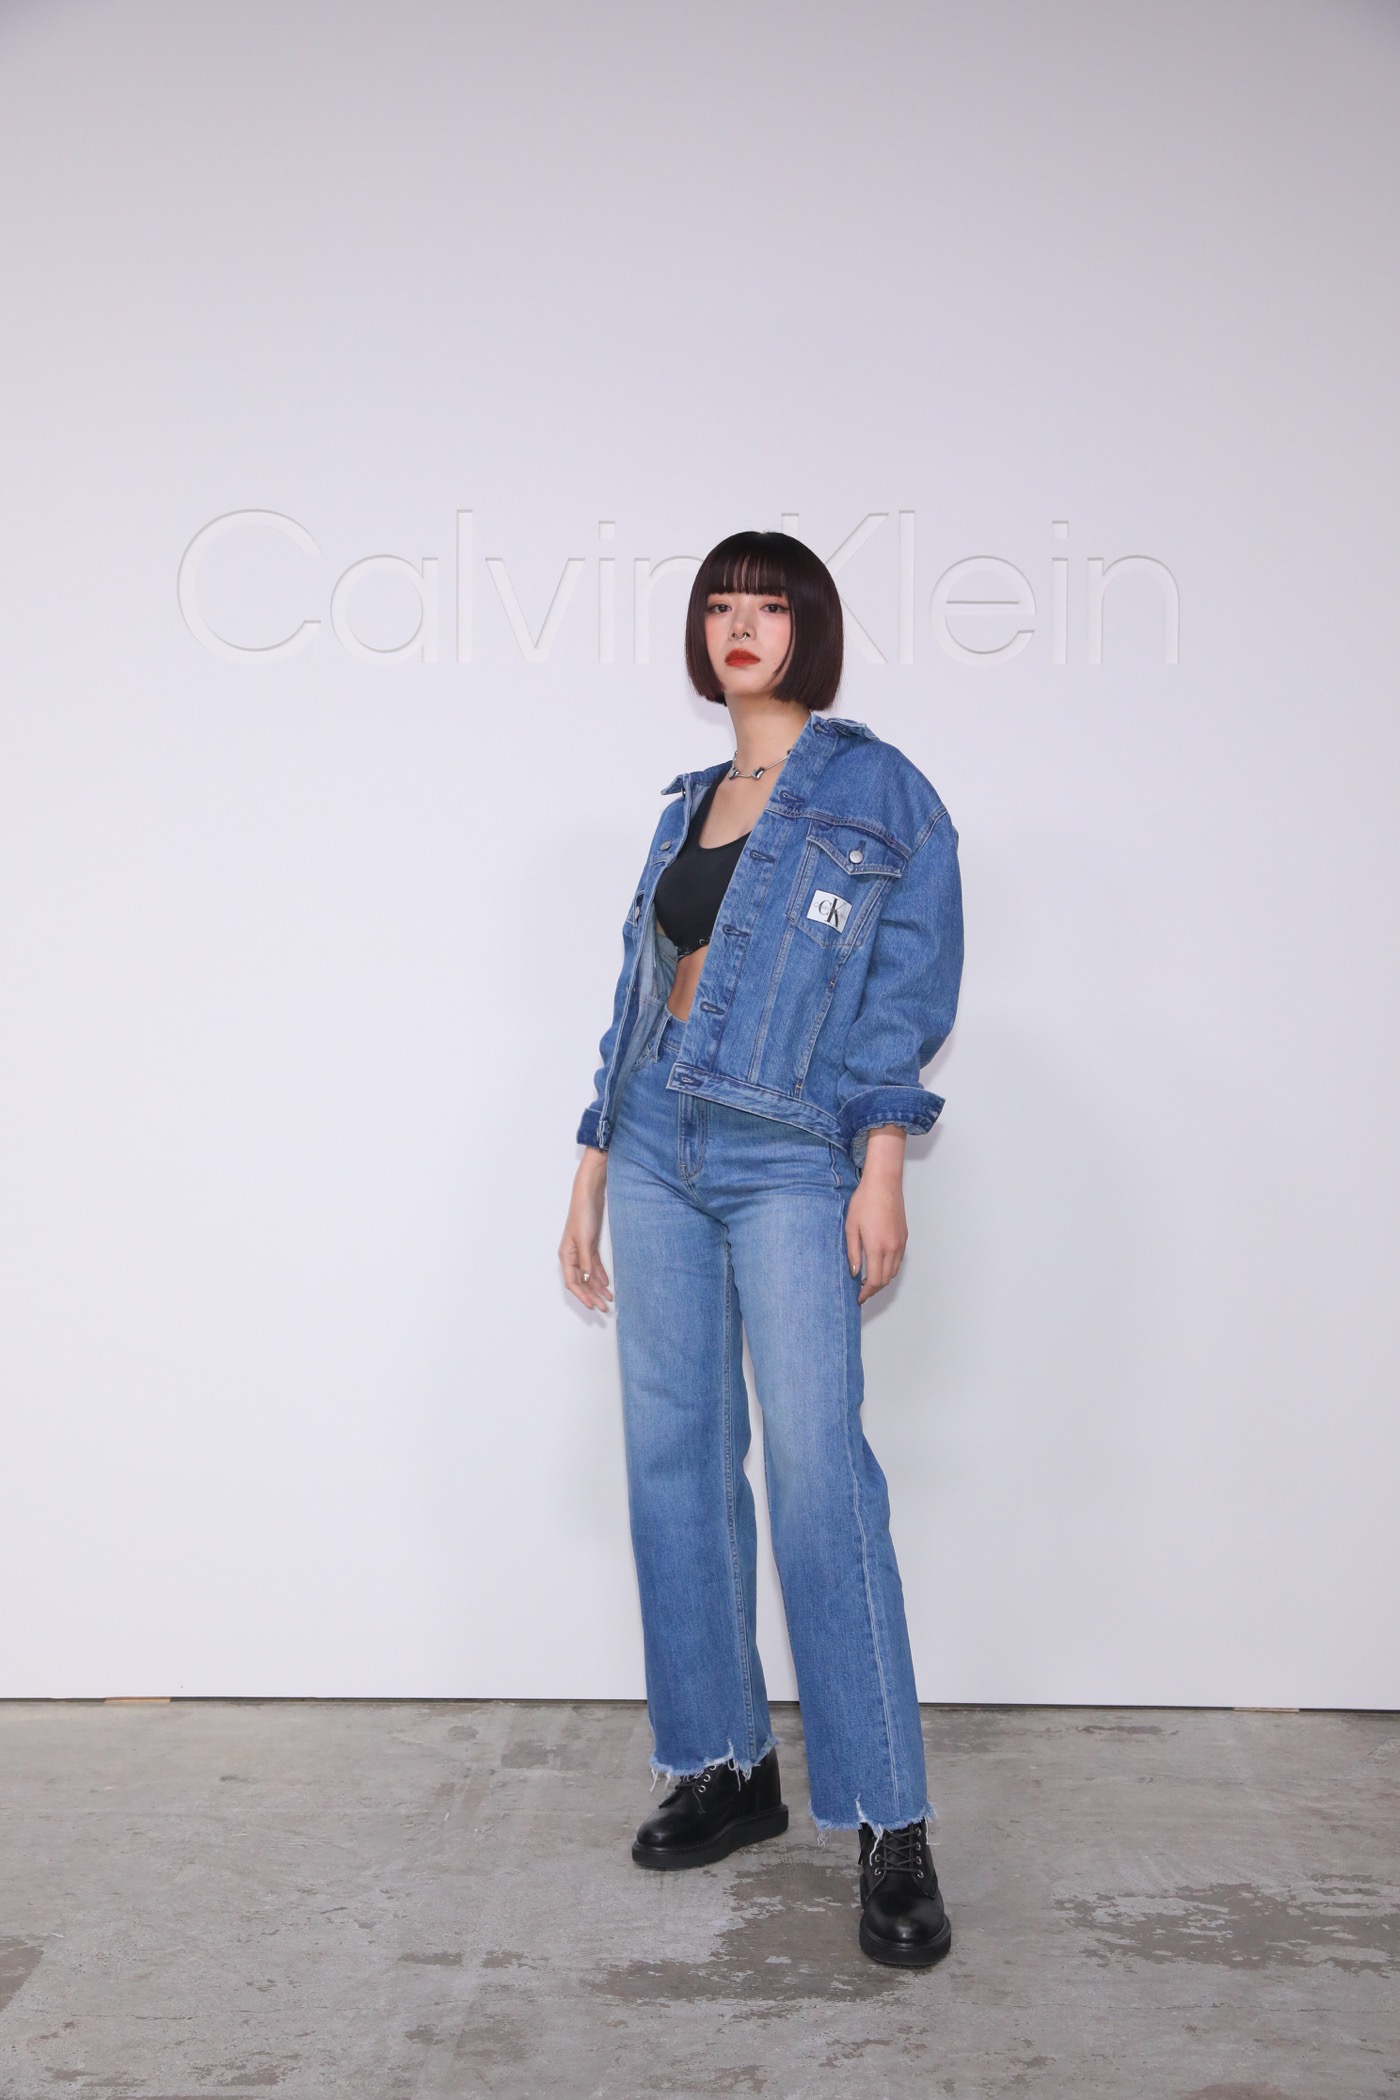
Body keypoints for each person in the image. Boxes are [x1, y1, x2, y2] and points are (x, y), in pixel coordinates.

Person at [558, 530, 964, 1968]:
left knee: (815, 1475)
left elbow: (904, 991)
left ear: (810, 631)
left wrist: (880, 1164)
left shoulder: (878, 790)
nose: (741, 625)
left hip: (791, 1152)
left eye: (768, 606)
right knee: (673, 1458)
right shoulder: (687, 805)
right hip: (655, 1147)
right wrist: (592, 1166)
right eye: (720, 605)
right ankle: (727, 1766)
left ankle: (890, 1821)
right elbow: (639, 993)